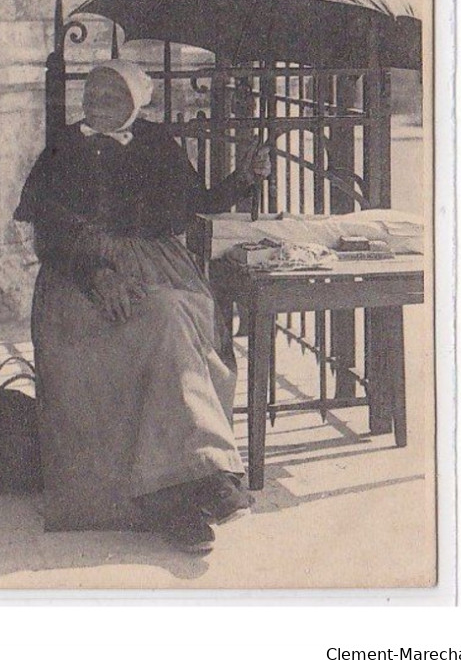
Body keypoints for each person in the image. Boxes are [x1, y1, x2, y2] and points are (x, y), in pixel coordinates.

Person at [15, 59, 271, 553]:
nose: (95, 102)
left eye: (110, 96)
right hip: (79, 275)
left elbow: (197, 201)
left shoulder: (157, 144)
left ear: (136, 102)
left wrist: (244, 177)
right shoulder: (62, 148)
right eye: (90, 93)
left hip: (158, 263)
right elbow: (46, 234)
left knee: (181, 318)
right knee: (163, 322)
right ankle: (196, 487)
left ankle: (187, 490)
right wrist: (96, 273)